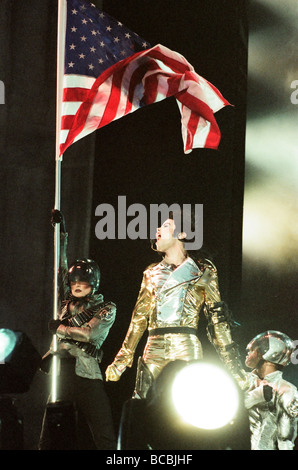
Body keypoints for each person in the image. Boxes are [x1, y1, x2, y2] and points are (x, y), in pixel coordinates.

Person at [106, 211, 248, 398]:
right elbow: (139, 318)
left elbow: (217, 319)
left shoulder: (203, 270)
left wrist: (233, 366)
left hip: (185, 346)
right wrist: (122, 359)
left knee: (187, 404)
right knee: (144, 405)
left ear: (182, 234)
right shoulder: (151, 273)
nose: (157, 229)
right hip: (154, 346)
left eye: (165, 226)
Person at [39, 210, 116, 450]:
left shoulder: (106, 307)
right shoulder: (65, 302)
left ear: (93, 284)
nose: (77, 286)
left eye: (83, 282)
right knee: (51, 433)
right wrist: (62, 233)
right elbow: (60, 267)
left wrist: (60, 328)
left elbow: (89, 334)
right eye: (74, 283)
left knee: (104, 434)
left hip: (87, 374)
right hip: (62, 372)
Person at [244, 330, 298, 450]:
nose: (247, 352)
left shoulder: (287, 391)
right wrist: (255, 396)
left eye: (252, 350)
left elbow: (285, 440)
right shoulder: (242, 380)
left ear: (268, 354)